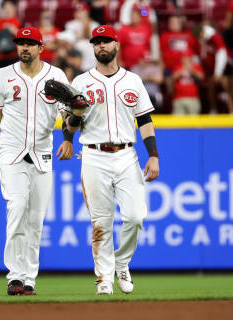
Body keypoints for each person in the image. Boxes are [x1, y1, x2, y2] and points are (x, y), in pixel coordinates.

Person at [66, 25, 159, 295]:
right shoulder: (81, 82)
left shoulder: (133, 81)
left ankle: (122, 262)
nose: (101, 46)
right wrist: (75, 116)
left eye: (106, 41)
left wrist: (153, 154)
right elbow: (68, 125)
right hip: (94, 155)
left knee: (136, 216)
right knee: (101, 222)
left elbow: (144, 119)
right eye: (97, 42)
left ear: (116, 45)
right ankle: (104, 278)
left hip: (126, 154)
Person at [0, 26, 73, 296]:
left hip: (43, 153)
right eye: (21, 43)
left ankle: (29, 277)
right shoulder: (3, 75)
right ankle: (14, 276)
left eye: (30, 43)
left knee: (36, 219)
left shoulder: (55, 75)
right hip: (10, 152)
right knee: (17, 207)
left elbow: (68, 113)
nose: (25, 47)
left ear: (41, 48)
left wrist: (69, 137)